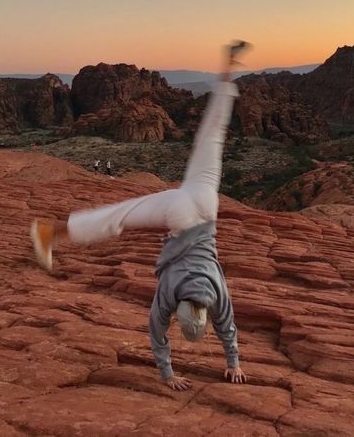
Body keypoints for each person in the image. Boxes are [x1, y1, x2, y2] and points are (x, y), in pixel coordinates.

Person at [30, 41, 251, 391]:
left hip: (206, 206)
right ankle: (48, 233)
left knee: (212, 138)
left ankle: (228, 71)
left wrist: (233, 361)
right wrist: (171, 375)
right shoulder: (171, 293)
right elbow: (157, 330)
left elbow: (227, 325)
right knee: (121, 217)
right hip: (180, 215)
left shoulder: (216, 293)